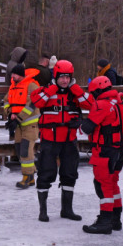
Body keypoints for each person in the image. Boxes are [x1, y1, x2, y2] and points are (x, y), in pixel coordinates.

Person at [31, 59, 89, 222]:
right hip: (50, 140)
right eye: (62, 77)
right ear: (55, 76)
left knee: (70, 173)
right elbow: (37, 101)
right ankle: (43, 211)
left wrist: (76, 89)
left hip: (69, 140)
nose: (65, 80)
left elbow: (90, 104)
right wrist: (52, 89)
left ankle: (67, 210)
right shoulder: (45, 90)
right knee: (46, 172)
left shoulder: (75, 92)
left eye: (68, 77)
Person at [80, 76, 123, 234]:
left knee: (103, 185)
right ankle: (115, 220)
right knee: (112, 183)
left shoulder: (102, 104)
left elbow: (87, 128)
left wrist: (79, 123)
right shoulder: (122, 101)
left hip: (106, 151)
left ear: (97, 91)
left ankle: (105, 221)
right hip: (121, 149)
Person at [4, 63, 41, 189]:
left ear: (20, 75)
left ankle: (27, 176)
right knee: (19, 149)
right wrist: (10, 114)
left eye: (14, 74)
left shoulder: (32, 86)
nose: (12, 76)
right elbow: (6, 101)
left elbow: (32, 105)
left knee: (26, 149)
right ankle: (31, 177)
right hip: (19, 125)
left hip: (30, 125)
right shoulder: (13, 86)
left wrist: (18, 118)